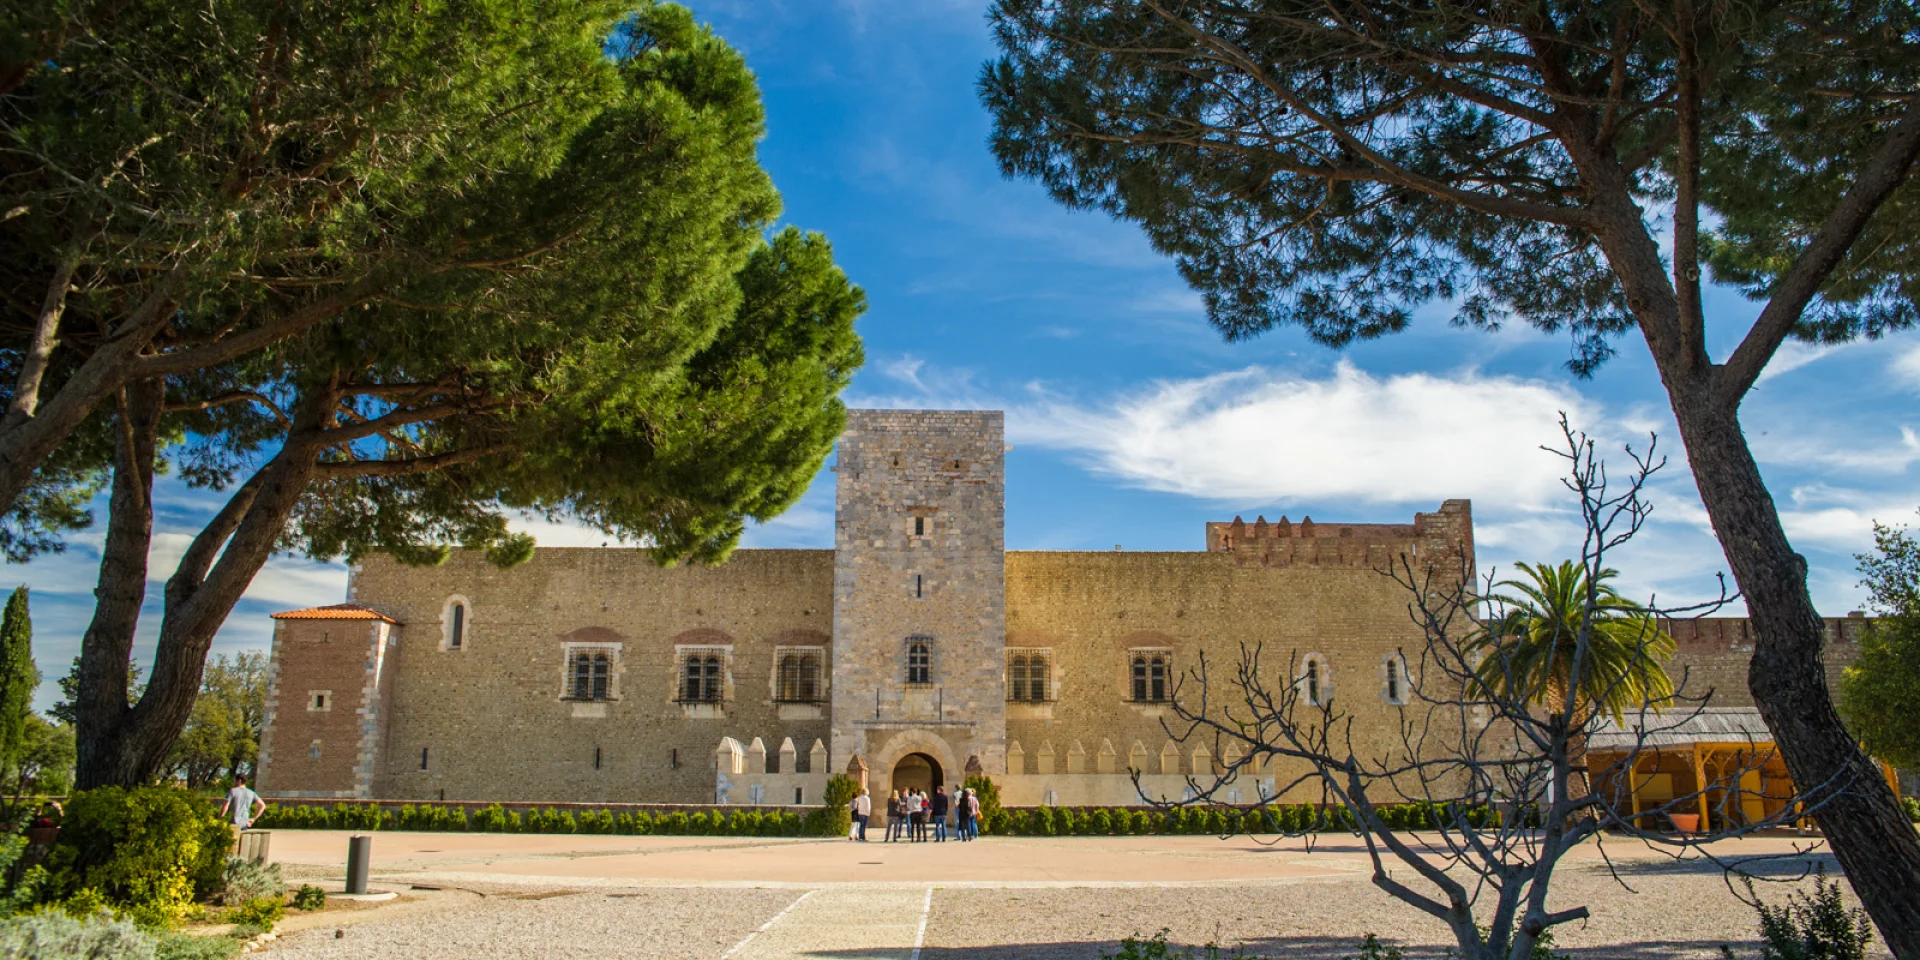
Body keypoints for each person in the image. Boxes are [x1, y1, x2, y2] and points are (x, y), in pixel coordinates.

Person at [220, 774, 267, 850]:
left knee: (229, 848)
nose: (234, 782)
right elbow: (262, 805)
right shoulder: (251, 793)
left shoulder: (232, 791)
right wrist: (253, 819)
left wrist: (220, 818)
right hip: (244, 823)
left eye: (235, 780)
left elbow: (225, 806)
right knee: (241, 847)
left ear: (239, 780)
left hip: (233, 823)